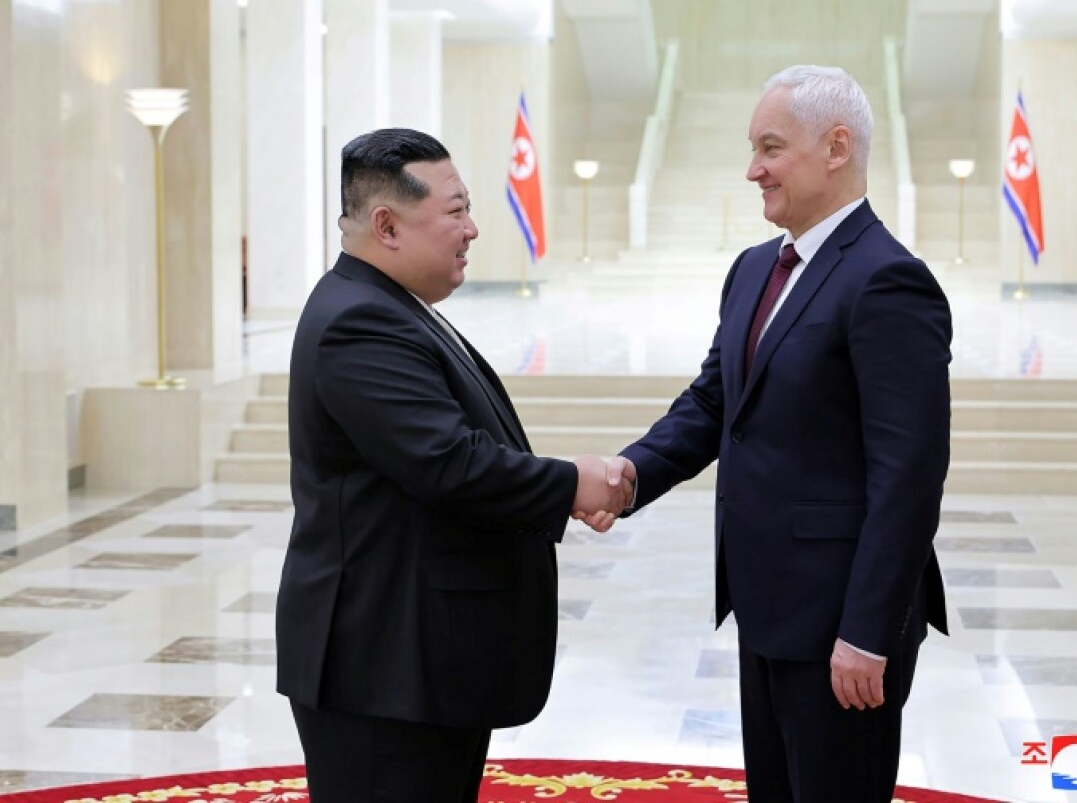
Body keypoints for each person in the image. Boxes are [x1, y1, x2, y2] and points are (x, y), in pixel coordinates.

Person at [598, 66, 952, 802]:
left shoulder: (888, 280)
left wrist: (866, 633)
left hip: (841, 626)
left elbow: (908, 476)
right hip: (766, 605)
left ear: (836, 147)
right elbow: (713, 404)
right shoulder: (756, 268)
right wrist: (630, 475)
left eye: (770, 148)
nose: (752, 169)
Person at [276, 128, 631, 803]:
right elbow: (447, 462)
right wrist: (574, 483)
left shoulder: (394, 306)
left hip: (419, 661)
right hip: (380, 667)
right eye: (456, 211)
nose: (472, 229)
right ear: (386, 224)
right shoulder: (360, 321)